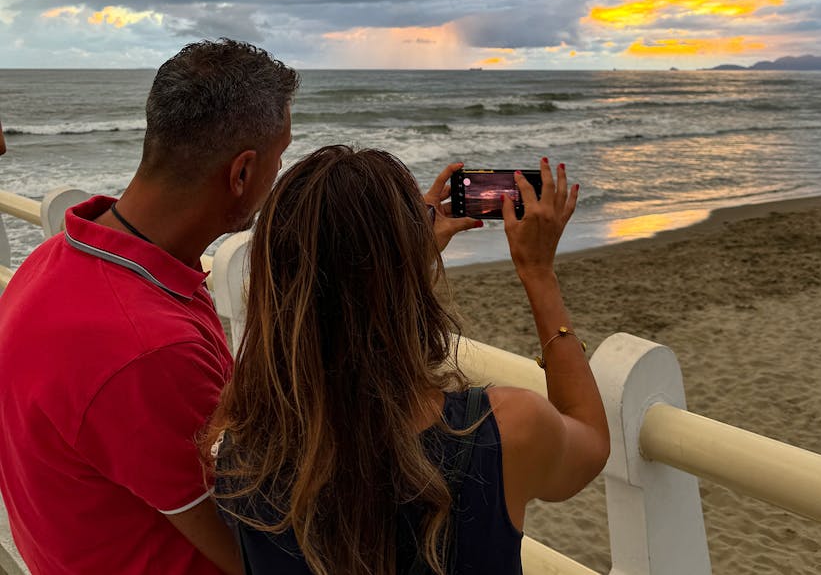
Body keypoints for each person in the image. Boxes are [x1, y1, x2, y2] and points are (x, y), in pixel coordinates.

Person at [207, 146, 610, 575]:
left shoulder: (238, 441)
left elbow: (288, 339)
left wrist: (398, 265)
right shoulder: (504, 430)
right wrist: (538, 272)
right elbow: (591, 441)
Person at [0, 40, 300, 575]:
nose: (279, 172)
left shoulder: (57, 259)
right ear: (242, 173)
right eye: (280, 156)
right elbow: (258, 552)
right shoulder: (149, 349)